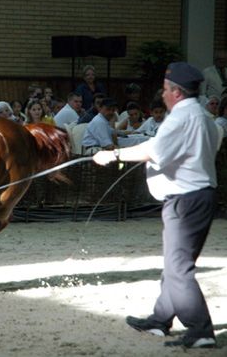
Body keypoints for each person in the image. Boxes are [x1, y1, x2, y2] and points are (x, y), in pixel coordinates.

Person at [93, 62, 219, 349]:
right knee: (175, 263)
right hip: (199, 196)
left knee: (178, 267)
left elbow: (153, 151)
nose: (162, 95)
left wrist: (113, 156)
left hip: (186, 199)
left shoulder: (179, 118)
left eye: (164, 89)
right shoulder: (203, 116)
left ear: (175, 92)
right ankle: (161, 320)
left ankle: (200, 330)